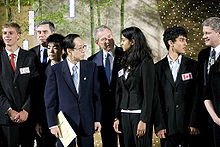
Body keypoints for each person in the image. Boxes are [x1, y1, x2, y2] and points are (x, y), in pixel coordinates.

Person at [44, 34, 102, 147]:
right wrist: (53, 124)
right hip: (64, 124)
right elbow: (50, 100)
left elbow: (96, 96)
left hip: (87, 121)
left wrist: (97, 119)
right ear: (69, 51)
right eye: (79, 48)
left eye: (83, 47)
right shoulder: (55, 70)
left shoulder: (91, 67)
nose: (83, 51)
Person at [113, 26, 163, 147]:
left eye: (123, 40)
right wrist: (116, 117)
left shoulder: (146, 63)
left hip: (139, 115)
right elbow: (118, 92)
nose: (121, 43)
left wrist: (144, 120)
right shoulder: (122, 62)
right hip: (124, 114)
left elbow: (149, 94)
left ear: (133, 41)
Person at [155, 26, 200, 147]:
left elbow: (197, 96)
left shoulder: (194, 66)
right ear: (171, 43)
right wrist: (159, 125)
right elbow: (157, 99)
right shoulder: (157, 68)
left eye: (186, 40)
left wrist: (194, 122)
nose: (185, 43)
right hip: (167, 128)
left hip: (189, 127)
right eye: (181, 40)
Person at [0, 22, 39, 146]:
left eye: (11, 33)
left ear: (18, 35)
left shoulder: (30, 57)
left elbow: (35, 87)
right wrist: (9, 110)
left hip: (27, 117)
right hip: (6, 119)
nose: (7, 36)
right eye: (5, 33)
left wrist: (26, 110)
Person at [88, 25, 124, 147]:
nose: (108, 41)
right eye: (103, 39)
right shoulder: (92, 61)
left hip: (124, 108)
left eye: (109, 37)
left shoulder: (126, 55)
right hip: (104, 112)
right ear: (97, 43)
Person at [30, 20, 56, 147]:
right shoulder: (29, 54)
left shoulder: (63, 55)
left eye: (45, 32)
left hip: (57, 109)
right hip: (38, 108)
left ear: (53, 33)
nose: (41, 35)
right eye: (39, 32)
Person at [197, 17, 220, 147]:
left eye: (207, 33)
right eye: (203, 33)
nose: (204, 36)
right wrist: (214, 117)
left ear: (219, 32)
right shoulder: (203, 55)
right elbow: (202, 86)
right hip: (207, 116)